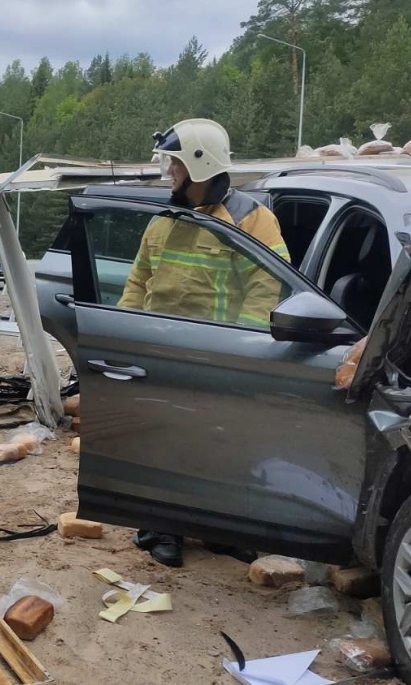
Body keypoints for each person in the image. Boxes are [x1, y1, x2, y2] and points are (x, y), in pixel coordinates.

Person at [119, 118, 289, 568]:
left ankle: (220, 530)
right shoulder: (165, 220)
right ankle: (164, 527)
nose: (169, 171)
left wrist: (244, 343)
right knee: (163, 440)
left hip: (221, 352)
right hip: (163, 351)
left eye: (175, 162)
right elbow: (138, 281)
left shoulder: (253, 218)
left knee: (223, 444)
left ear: (200, 164)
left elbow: (268, 284)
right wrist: (124, 333)